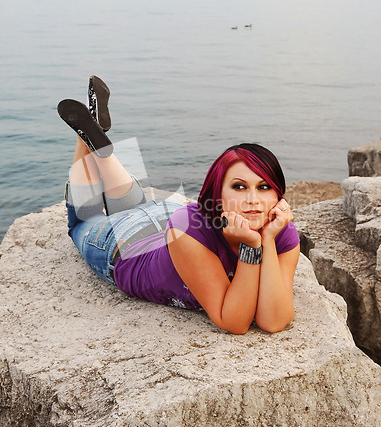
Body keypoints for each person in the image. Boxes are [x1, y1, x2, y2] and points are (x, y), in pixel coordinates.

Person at [58, 76, 300, 335]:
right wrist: (252, 246)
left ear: (278, 195)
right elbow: (234, 322)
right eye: (239, 187)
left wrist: (269, 239)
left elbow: (273, 320)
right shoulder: (189, 231)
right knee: (83, 219)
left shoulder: (281, 231)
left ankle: (93, 137)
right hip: (124, 245)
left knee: (136, 205)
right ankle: (85, 139)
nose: (253, 199)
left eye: (264, 187)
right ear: (217, 194)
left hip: (166, 217)